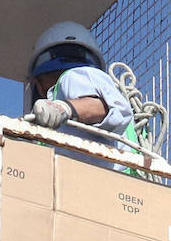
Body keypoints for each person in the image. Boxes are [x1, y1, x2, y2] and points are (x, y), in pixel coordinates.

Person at [25, 21, 141, 160]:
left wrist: (65, 108)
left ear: (38, 83)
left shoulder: (72, 77)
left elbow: (109, 109)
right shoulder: (99, 84)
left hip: (97, 177)